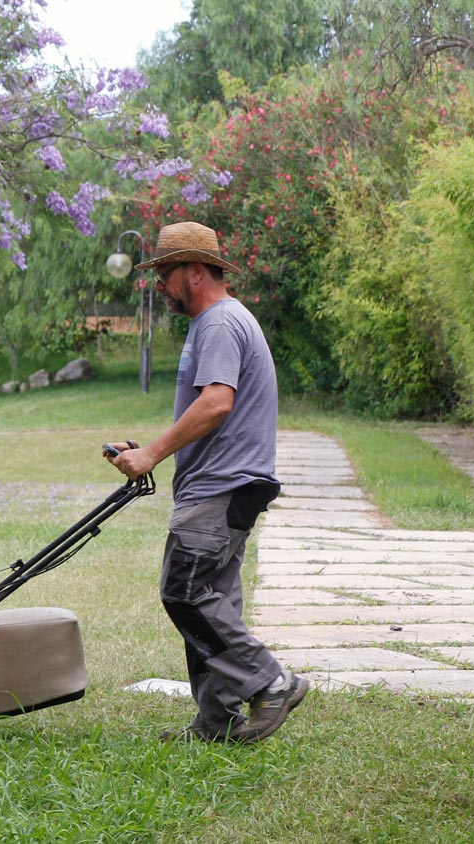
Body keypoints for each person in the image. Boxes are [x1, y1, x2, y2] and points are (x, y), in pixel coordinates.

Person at [104, 221, 306, 744]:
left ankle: (272, 682)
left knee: (185, 590)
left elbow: (217, 402)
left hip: (221, 485)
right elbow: (210, 408)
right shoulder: (223, 321)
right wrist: (147, 448)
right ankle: (217, 723)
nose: (160, 286)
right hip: (233, 484)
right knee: (213, 596)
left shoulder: (218, 322)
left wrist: (151, 454)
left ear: (195, 272)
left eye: (165, 274)